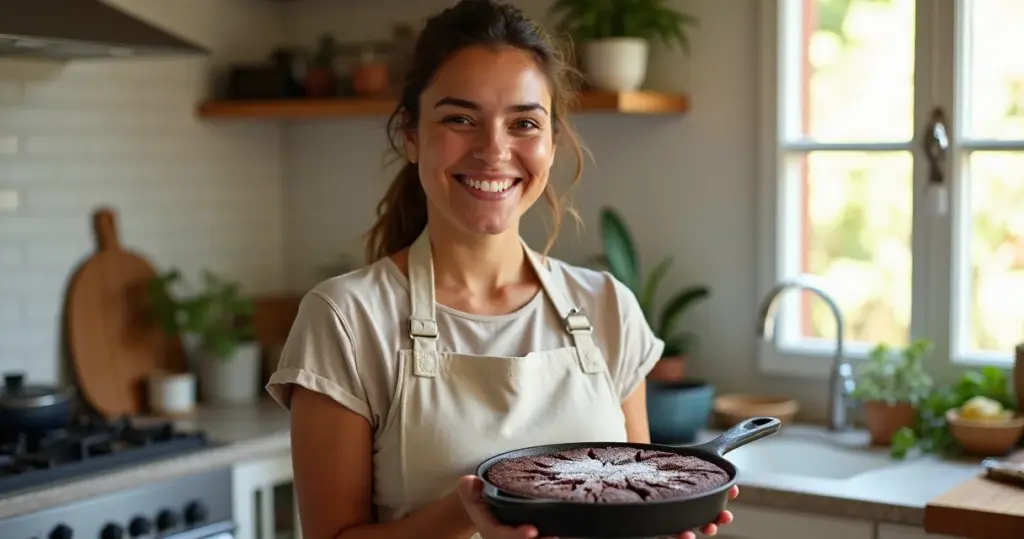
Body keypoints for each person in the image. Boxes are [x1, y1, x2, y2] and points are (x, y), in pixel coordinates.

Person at [265, 1, 739, 538]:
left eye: (523, 123)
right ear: (411, 134)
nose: (494, 151)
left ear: (552, 143)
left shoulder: (607, 306)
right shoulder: (347, 320)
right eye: (460, 119)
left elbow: (628, 506)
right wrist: (471, 509)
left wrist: (660, 526)